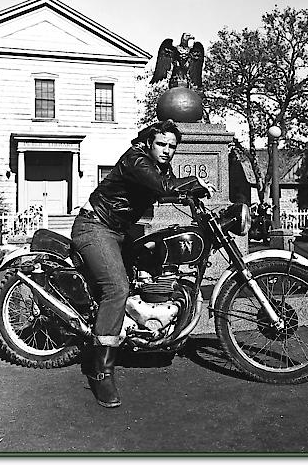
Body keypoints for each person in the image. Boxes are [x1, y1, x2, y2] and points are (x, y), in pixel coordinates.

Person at [71, 119, 214, 408]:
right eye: (161, 144)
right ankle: (101, 371)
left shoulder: (160, 166)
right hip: (95, 226)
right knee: (117, 288)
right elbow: (163, 187)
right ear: (149, 142)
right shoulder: (135, 159)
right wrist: (193, 183)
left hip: (119, 230)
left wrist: (194, 197)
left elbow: (170, 190)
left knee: (148, 270)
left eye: (172, 146)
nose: (167, 150)